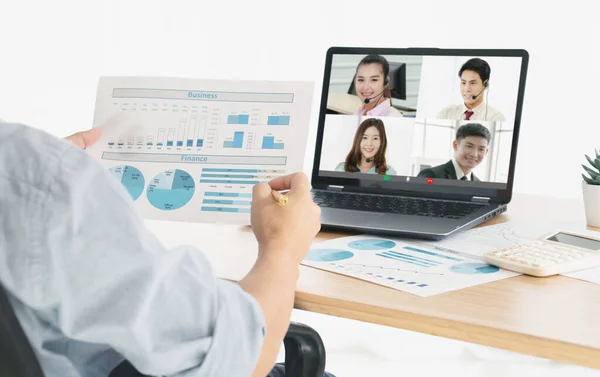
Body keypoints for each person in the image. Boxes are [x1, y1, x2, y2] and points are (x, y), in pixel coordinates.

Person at [0, 122, 335, 377]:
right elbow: (239, 361)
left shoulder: (24, 173)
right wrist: (282, 244)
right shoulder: (28, 169)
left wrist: (39, 195)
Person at [437, 58, 505, 122]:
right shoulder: (446, 114)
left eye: (473, 83)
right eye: (463, 83)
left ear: (485, 84)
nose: (467, 89)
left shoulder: (495, 117)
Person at [417, 123, 491, 181]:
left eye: (481, 149)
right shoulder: (432, 175)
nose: (474, 154)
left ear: (486, 152)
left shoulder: (478, 185)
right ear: (456, 145)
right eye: (469, 146)